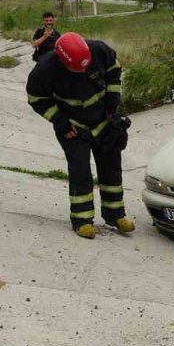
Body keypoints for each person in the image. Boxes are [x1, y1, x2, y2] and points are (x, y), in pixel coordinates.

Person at [26, 32, 134, 239]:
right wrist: (60, 122)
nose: (83, 69)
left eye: (86, 65)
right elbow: (36, 98)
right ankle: (82, 220)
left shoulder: (100, 51)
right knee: (80, 172)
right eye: (77, 67)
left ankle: (115, 215)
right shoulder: (44, 70)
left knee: (112, 168)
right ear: (62, 60)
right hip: (73, 126)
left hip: (103, 120)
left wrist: (113, 100)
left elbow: (114, 70)